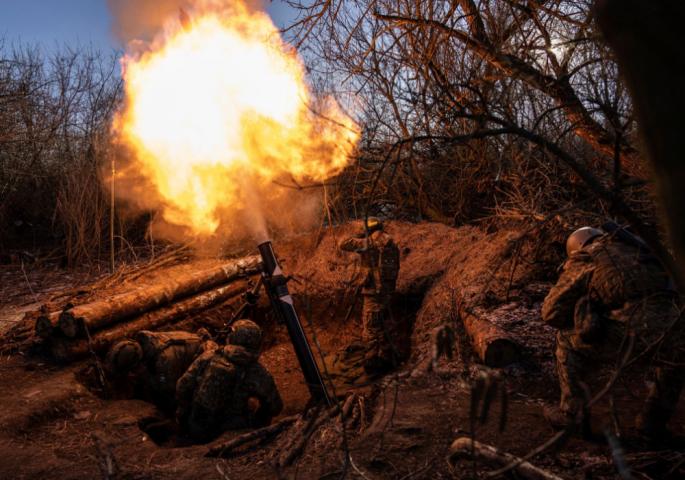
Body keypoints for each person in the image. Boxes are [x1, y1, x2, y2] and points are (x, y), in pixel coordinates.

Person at [542, 225, 683, 439]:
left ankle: (573, 416)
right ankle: (652, 422)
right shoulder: (642, 250)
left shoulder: (588, 257)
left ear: (577, 246)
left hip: (634, 333)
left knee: (566, 340)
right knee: (676, 353)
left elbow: (551, 313)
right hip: (676, 331)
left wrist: (587, 312)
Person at [175, 319, 283, 442]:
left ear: (232, 337)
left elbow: (182, 385)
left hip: (197, 426)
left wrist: (183, 414)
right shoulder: (257, 372)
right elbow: (276, 407)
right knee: (253, 405)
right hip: (232, 430)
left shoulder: (209, 356)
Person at [339, 217, 401, 375]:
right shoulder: (391, 243)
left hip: (374, 294)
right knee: (383, 326)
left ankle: (372, 366)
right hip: (388, 291)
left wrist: (358, 232)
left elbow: (343, 243)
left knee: (371, 329)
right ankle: (387, 360)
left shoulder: (369, 243)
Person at [105, 329, 217, 411]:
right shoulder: (144, 341)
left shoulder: (163, 361)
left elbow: (171, 391)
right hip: (187, 350)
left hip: (205, 357)